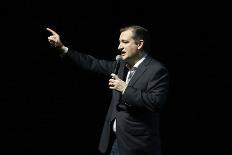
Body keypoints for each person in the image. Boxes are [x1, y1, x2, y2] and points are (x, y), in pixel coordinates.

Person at [46, 25, 169, 155]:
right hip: (116, 141)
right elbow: (92, 63)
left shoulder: (156, 70)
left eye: (125, 42)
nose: (119, 47)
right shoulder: (120, 65)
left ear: (139, 44)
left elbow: (156, 103)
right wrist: (62, 48)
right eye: (119, 42)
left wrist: (125, 89)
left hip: (138, 146)